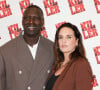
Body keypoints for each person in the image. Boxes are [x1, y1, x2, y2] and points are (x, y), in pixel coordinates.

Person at [0, 5, 54, 90]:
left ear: (42, 22)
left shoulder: (53, 49)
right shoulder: (5, 52)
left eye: (35, 18)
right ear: (22, 21)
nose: (31, 22)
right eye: (27, 18)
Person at [45, 23, 93, 90]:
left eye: (68, 37)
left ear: (76, 41)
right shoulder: (56, 65)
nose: (64, 41)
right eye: (61, 37)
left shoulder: (81, 64)